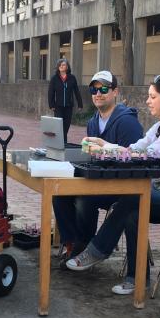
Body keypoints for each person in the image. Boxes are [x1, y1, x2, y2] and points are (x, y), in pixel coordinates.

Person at [65, 75, 160, 295]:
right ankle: (137, 279)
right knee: (133, 209)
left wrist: (106, 150)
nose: (148, 101)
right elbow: (136, 147)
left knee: (135, 196)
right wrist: (105, 145)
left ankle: (98, 250)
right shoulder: (159, 127)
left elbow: (151, 153)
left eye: (153, 96)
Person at [52, 70, 143, 262]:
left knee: (85, 198)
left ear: (115, 92)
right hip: (99, 179)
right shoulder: (93, 121)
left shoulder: (127, 122)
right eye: (94, 90)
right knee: (59, 191)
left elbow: (133, 161)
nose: (98, 93)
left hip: (123, 186)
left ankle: (84, 246)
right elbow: (93, 158)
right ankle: (72, 244)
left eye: (103, 88)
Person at [47, 58, 83, 143]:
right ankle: (62, 143)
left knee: (66, 126)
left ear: (67, 67)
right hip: (58, 107)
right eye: (61, 65)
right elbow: (50, 92)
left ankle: (63, 142)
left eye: (64, 65)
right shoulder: (54, 78)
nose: (63, 66)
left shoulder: (72, 78)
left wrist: (80, 104)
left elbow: (76, 91)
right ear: (58, 67)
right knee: (59, 126)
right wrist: (51, 105)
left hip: (68, 106)